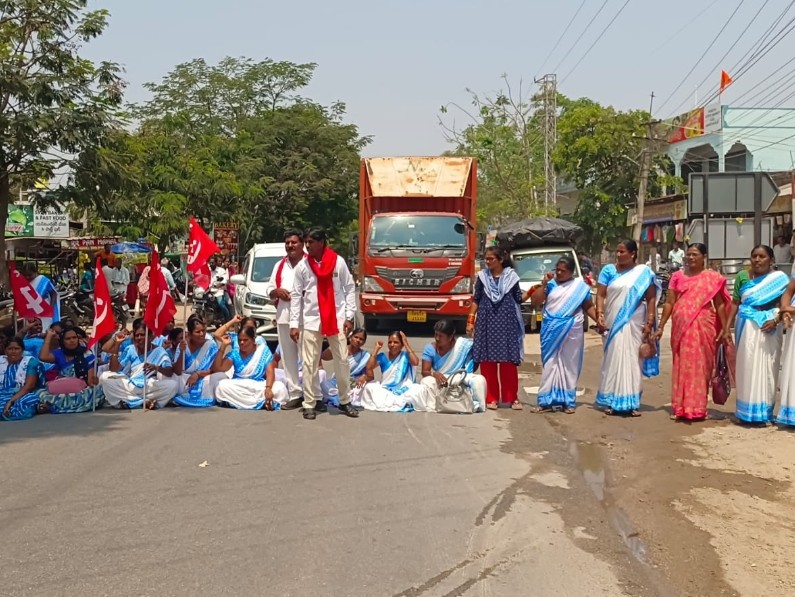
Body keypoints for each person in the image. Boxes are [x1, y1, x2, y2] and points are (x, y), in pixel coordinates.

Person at [654, 243, 731, 421]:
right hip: (681, 327)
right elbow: (669, 302)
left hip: (704, 325)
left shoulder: (712, 278)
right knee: (683, 365)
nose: (690, 258)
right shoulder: (677, 276)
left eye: (695, 254)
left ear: (704, 256)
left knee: (701, 365)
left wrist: (726, 328)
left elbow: (719, 304)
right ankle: (681, 407)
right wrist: (661, 326)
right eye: (688, 254)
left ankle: (696, 407)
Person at [289, 227, 358, 420]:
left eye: (311, 242)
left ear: (321, 243)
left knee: (342, 360)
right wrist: (294, 323)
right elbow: (296, 295)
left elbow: (349, 287)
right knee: (309, 363)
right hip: (311, 319)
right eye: (306, 242)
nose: (307, 246)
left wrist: (350, 316)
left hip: (336, 318)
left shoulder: (338, 262)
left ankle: (345, 401)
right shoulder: (303, 266)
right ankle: (310, 403)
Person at [595, 239, 659, 417]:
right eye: (617, 251)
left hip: (634, 320)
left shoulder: (643, 273)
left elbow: (651, 298)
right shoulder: (608, 271)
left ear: (632, 254)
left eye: (622, 251)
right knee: (613, 358)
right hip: (612, 321)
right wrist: (599, 314)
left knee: (632, 358)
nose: (618, 254)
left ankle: (631, 401)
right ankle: (611, 399)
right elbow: (600, 294)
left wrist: (650, 322)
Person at [726, 245, 788, 424]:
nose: (757, 260)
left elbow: (785, 303)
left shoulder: (780, 279)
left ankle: (764, 413)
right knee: (746, 367)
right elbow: (735, 303)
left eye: (762, 256)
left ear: (771, 260)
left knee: (768, 367)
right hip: (745, 326)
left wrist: (775, 320)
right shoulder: (743, 277)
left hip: (769, 326)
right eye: (754, 256)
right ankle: (745, 413)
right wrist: (726, 328)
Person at [530, 256, 597, 414]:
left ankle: (568, 401)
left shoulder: (579, 287)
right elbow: (535, 302)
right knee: (550, 364)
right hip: (551, 329)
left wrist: (600, 321)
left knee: (570, 364)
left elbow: (588, 306)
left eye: (563, 271)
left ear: (571, 272)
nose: (559, 273)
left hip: (572, 329)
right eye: (557, 270)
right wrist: (544, 283)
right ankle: (545, 401)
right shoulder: (551, 285)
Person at [467, 246, 527, 411]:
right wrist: (470, 320)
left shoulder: (512, 278)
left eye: (490, 259)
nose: (487, 262)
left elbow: (518, 298)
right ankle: (491, 398)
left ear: (500, 260)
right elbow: (476, 299)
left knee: (508, 362)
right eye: (486, 259)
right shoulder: (482, 277)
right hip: (487, 322)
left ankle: (511, 398)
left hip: (506, 323)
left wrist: (538, 288)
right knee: (487, 361)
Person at [264, 229, 305, 409]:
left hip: (306, 319)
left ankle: (313, 396)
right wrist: (277, 292)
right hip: (284, 317)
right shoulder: (279, 265)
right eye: (287, 242)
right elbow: (269, 290)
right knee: (288, 358)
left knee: (308, 358)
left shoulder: (309, 263)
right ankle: (295, 394)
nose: (290, 246)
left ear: (302, 244)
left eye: (294, 242)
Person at [99, 321, 178, 410]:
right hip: (131, 385)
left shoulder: (159, 351)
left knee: (172, 385)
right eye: (137, 335)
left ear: (150, 337)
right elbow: (114, 369)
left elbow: (169, 372)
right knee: (106, 381)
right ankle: (142, 402)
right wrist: (117, 345)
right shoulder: (130, 349)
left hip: (149, 386)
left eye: (142, 335)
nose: (139, 338)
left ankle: (130, 401)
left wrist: (156, 367)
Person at [209, 327, 287, 410]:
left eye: (245, 340)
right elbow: (217, 368)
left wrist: (268, 388)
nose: (242, 343)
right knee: (221, 385)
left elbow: (270, 372)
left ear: (253, 340)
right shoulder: (235, 353)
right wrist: (223, 346)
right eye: (239, 340)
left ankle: (237, 402)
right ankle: (263, 401)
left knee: (279, 387)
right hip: (239, 384)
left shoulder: (263, 350)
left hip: (257, 385)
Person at [420, 319, 487, 412]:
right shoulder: (430, 348)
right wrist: (434, 374)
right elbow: (424, 371)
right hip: (442, 378)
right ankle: (432, 407)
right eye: (436, 334)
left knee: (479, 380)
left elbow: (476, 356)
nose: (437, 338)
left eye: (441, 336)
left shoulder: (462, 345)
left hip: (459, 376)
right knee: (426, 381)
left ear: (450, 337)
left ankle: (477, 407)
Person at [37, 325, 102, 414]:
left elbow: (90, 382)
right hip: (61, 388)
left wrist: (94, 381)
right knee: (40, 393)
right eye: (68, 339)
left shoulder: (86, 354)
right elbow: (43, 357)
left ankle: (53, 406)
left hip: (80, 390)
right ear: (62, 341)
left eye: (74, 338)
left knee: (95, 392)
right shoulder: (59, 353)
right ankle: (58, 405)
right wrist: (48, 336)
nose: (72, 340)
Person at [361, 331, 424, 412]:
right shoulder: (383, 356)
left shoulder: (406, 355)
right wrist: (376, 349)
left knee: (418, 389)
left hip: (403, 388)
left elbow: (415, 362)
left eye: (396, 342)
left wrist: (407, 345)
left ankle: (397, 401)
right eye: (390, 342)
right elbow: (369, 367)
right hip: (385, 388)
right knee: (369, 387)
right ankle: (401, 402)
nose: (392, 344)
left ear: (402, 345)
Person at [172, 317, 219, 408]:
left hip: (203, 378)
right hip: (185, 380)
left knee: (217, 377)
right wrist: (182, 352)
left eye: (203, 330)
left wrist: (198, 374)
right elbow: (177, 371)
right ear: (189, 334)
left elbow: (215, 369)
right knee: (171, 377)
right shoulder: (182, 345)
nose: (202, 334)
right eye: (197, 332)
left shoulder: (211, 346)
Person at [320, 328, 371, 408]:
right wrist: (334, 344)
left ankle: (340, 396)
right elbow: (324, 356)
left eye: (361, 339)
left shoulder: (365, 356)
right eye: (356, 337)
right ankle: (340, 396)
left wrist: (363, 377)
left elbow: (368, 373)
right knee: (322, 385)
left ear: (364, 342)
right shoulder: (341, 349)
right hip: (336, 381)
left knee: (361, 389)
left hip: (352, 382)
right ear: (351, 337)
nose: (358, 340)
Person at [0, 337, 43, 421]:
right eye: (10, 349)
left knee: (30, 398)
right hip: (2, 395)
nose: (13, 351)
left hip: (22, 394)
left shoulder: (30, 362)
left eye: (16, 348)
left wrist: (11, 401)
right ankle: (7, 411)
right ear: (5, 351)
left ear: (22, 350)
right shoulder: (1, 361)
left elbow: (29, 386)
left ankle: (7, 410)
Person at [21, 261, 60, 330]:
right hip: (30, 312)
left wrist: (50, 307)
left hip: (44, 310)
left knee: (45, 328)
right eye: (25, 275)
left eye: (30, 275)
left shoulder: (43, 280)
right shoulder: (23, 283)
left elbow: (53, 293)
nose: (27, 277)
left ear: (36, 272)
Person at [209, 256, 231, 322]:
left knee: (221, 305)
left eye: (212, 263)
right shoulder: (207, 270)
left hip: (219, 291)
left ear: (216, 263)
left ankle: (228, 321)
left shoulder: (221, 271)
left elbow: (225, 280)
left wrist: (220, 284)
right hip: (209, 291)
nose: (211, 264)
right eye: (210, 263)